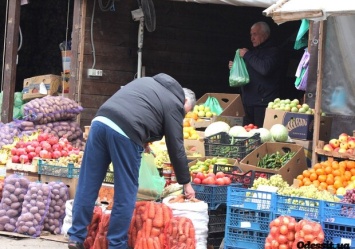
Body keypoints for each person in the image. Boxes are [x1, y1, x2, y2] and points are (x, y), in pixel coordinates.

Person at [67, 73, 196, 249]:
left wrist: (143, 141)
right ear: (183, 101)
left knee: (88, 182)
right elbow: (176, 147)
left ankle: (76, 236)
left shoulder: (148, 82)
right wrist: (186, 182)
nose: (181, 116)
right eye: (184, 112)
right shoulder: (175, 103)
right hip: (125, 132)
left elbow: (137, 109)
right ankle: (117, 244)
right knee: (126, 190)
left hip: (100, 121)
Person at [228, 21, 284, 128]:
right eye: (251, 34)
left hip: (263, 104)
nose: (251, 38)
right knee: (246, 133)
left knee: (260, 135)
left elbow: (264, 69)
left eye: (255, 34)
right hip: (248, 102)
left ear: (265, 35)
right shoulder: (253, 52)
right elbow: (248, 73)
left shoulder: (273, 51)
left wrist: (247, 55)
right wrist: (236, 67)